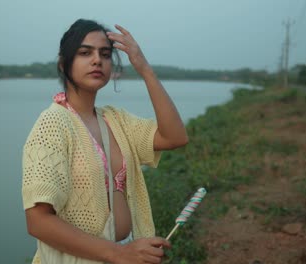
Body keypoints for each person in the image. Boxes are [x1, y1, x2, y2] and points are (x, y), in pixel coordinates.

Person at [22, 19, 188, 264]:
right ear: (63, 62)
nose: (97, 60)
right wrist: (119, 254)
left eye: (105, 54)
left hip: (124, 253)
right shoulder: (53, 124)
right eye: (84, 52)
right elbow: (38, 222)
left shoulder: (115, 119)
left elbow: (175, 137)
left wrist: (145, 69)